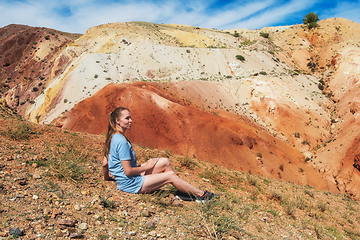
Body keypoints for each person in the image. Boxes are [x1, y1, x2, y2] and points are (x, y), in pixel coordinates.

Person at [103, 106, 215, 202]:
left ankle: (182, 191)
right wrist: (147, 166)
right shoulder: (121, 141)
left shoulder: (113, 136)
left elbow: (105, 163)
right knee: (170, 176)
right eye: (127, 118)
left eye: (130, 118)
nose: (131, 120)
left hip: (128, 179)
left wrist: (108, 178)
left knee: (164, 162)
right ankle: (202, 195)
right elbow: (128, 171)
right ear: (117, 121)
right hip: (131, 184)